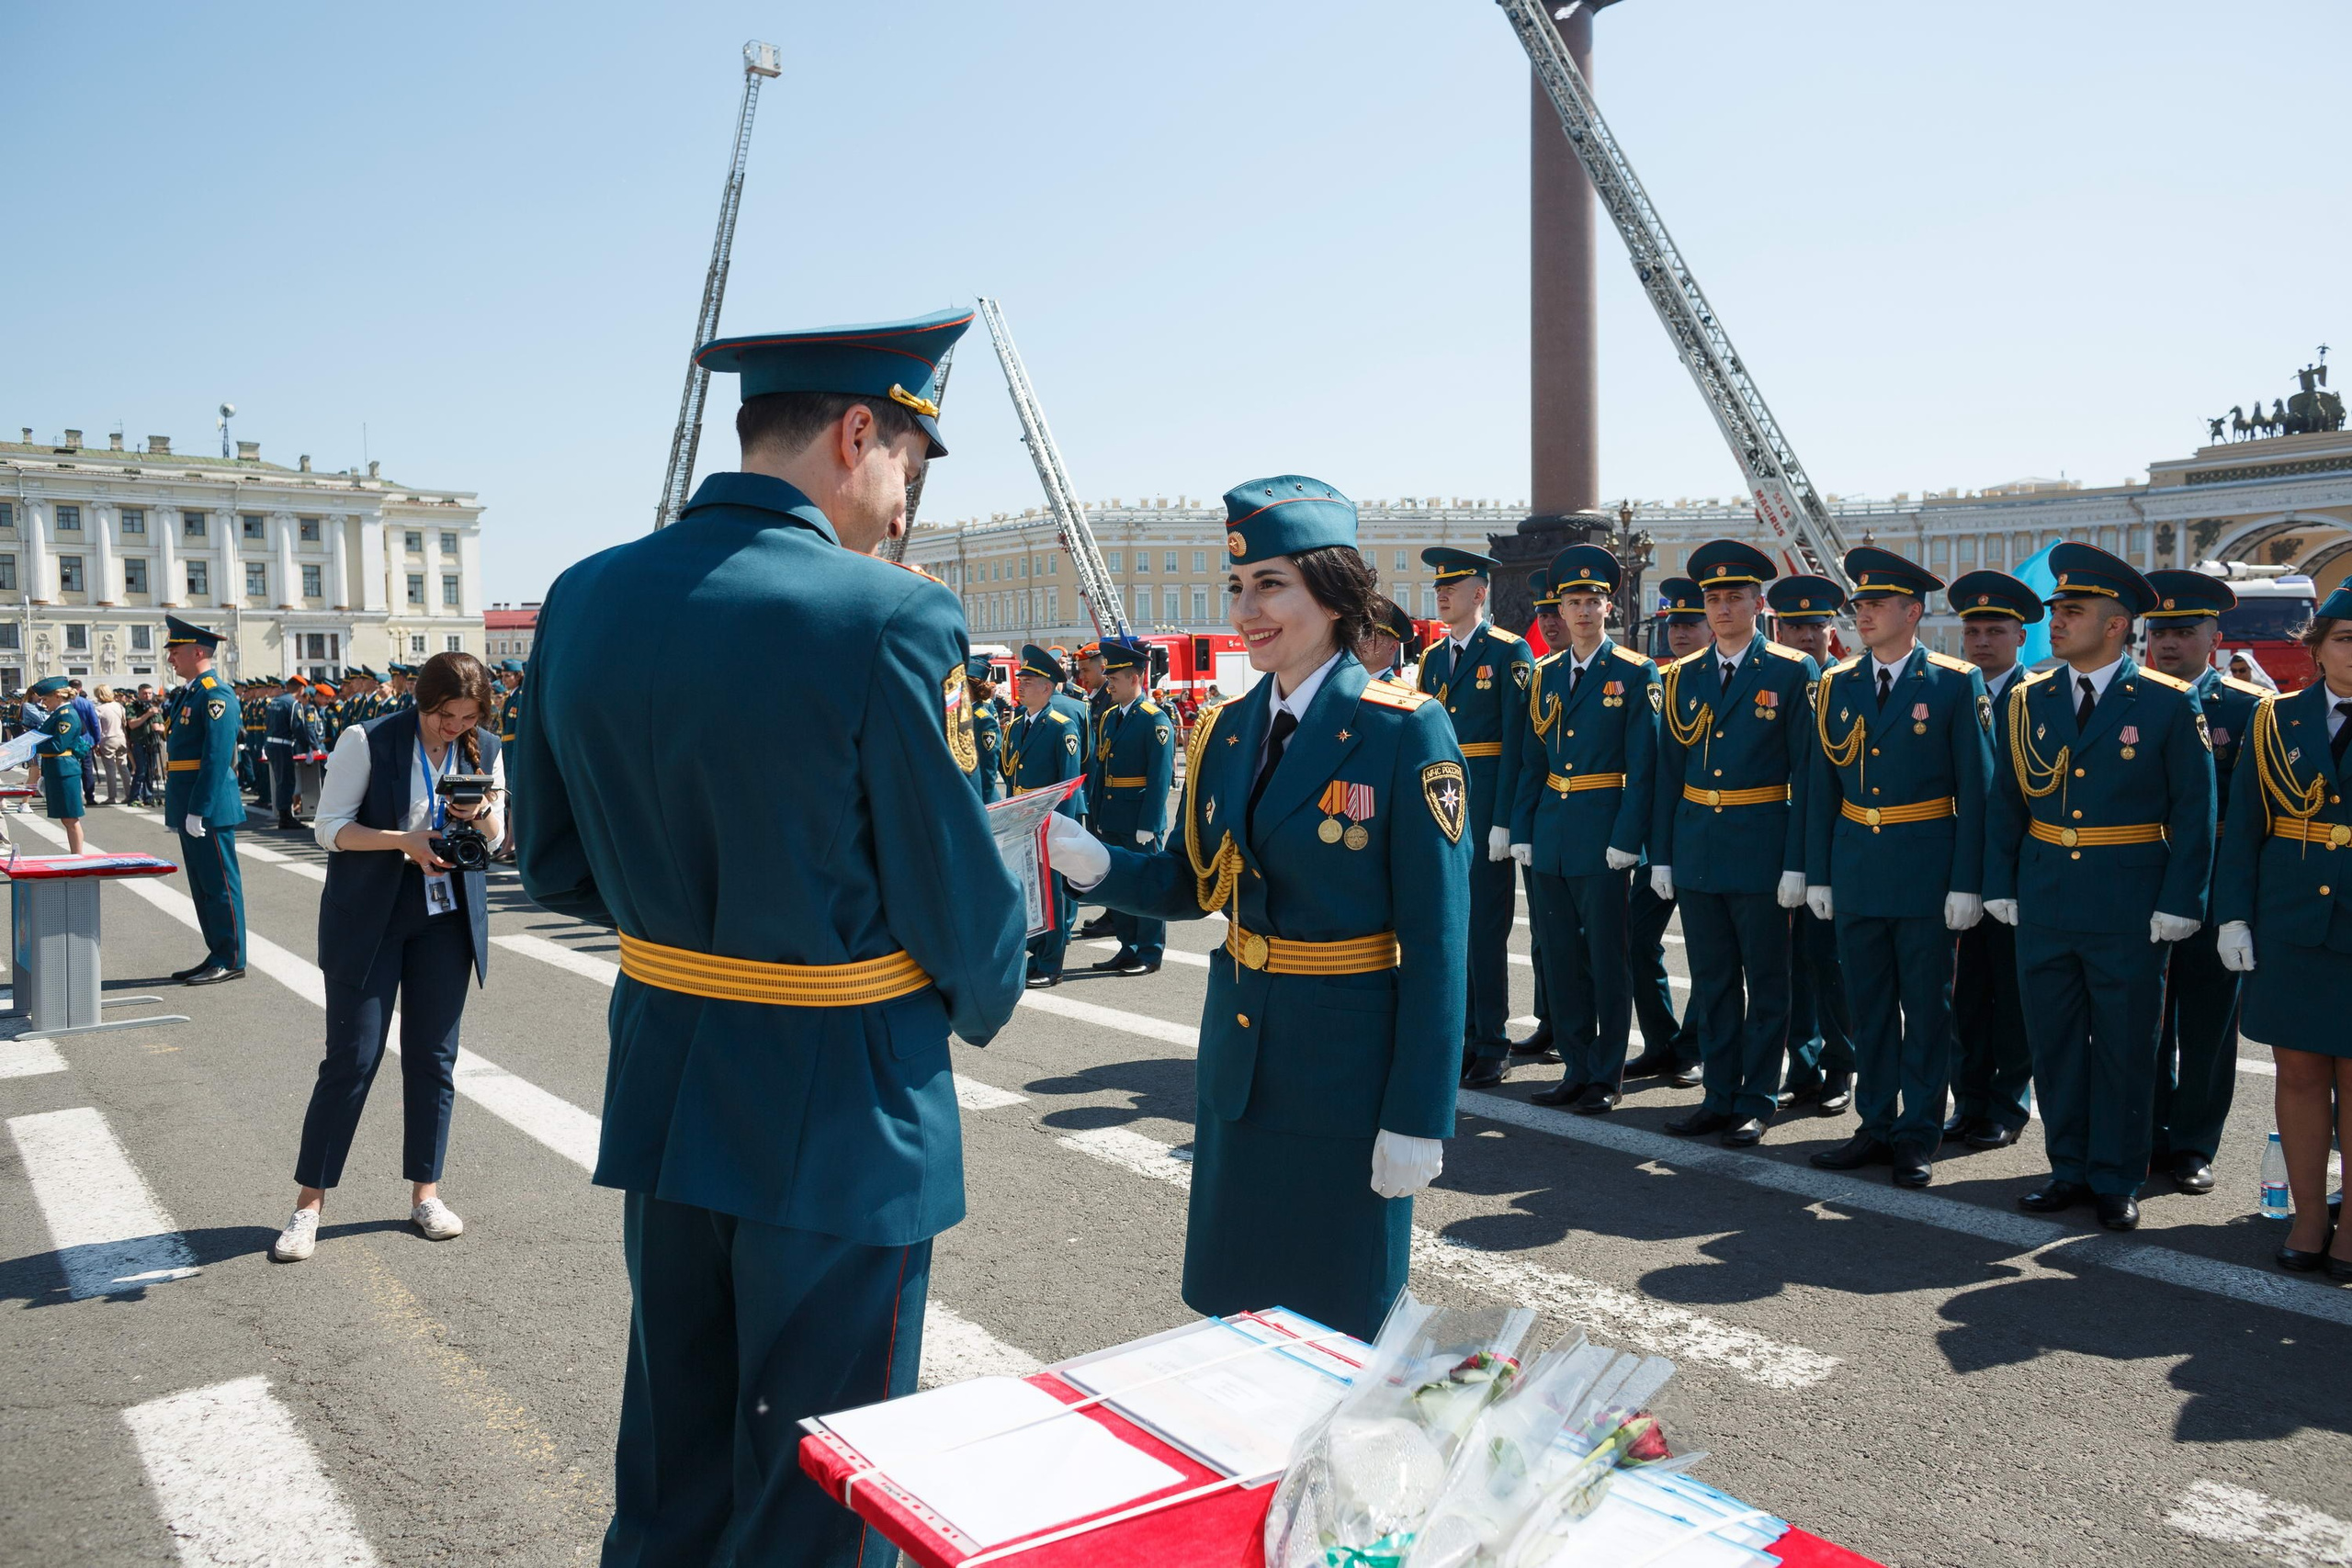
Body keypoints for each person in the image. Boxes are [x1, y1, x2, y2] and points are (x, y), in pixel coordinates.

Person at [515, 309, 1024, 1568]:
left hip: (670, 1081)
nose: (904, 503)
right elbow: (961, 906)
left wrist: (705, 924)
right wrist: (989, 975)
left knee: (673, 1476)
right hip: (840, 1108)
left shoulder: (583, 596)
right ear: (860, 434)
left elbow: (554, 856)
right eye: (910, 461)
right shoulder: (885, 616)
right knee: (818, 1499)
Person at [1046, 474, 1467, 1338]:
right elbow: (1188, 883)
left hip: (1346, 1076)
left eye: (1271, 583)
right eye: (1238, 587)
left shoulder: (1403, 728)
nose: (1247, 609)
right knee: (1235, 1321)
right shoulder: (1227, 728)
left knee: (1339, 1327)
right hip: (1239, 1063)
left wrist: (1418, 1114)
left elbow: (1439, 941)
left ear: (1335, 588)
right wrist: (1091, 862)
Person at [1984, 542, 2215, 1231]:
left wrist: (2182, 902)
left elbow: (2195, 815)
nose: (2054, 621)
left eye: (2072, 611)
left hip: (2129, 901)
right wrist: (2001, 881)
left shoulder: (2169, 703)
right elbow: (2006, 803)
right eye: (2055, 610)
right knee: (2054, 1040)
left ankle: (2117, 1175)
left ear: (2117, 625)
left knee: (2124, 1042)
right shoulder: (2029, 700)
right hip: (2048, 892)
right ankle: (2069, 1166)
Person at [270, 652, 507, 1265]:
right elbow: (330, 827)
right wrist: (402, 840)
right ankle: (308, 1204)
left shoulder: (485, 743)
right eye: (444, 715)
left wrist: (478, 815)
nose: (455, 727)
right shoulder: (366, 737)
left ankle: (426, 1192)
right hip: (370, 912)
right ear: (421, 702)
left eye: (467, 716)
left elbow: (499, 837)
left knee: (434, 1058)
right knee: (353, 1056)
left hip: (446, 917)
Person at [1804, 547, 1992, 1189]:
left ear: (1912, 611)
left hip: (1925, 867)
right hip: (1858, 864)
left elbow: (1979, 789)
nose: (1863, 614)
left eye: (1876, 604)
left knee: (1927, 1009)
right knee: (1869, 1006)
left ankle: (1918, 1132)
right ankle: (1875, 1122)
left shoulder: (1952, 682)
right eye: (1859, 605)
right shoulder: (1838, 683)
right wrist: (1819, 873)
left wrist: (1969, 881)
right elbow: (1822, 788)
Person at [1650, 540, 1817, 1147]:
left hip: (1762, 847)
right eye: (1712, 598)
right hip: (1699, 848)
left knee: (1768, 984)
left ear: (1757, 602)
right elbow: (1670, 771)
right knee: (1713, 980)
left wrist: (1799, 863)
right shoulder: (1683, 677)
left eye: (1733, 597)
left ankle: (1757, 1098)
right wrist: (1663, 854)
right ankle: (1718, 1095)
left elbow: (1808, 773)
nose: (1721, 608)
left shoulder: (1790, 670)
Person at [2213, 586, 2352, 1278]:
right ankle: (2306, 1213)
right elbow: (2244, 827)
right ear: (2318, 645)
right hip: (2291, 919)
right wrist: (2233, 913)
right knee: (2297, 1073)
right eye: (2345, 638)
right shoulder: (2274, 719)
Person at [1509, 546, 1658, 1112]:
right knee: (1561, 960)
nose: (1583, 611)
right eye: (1573, 602)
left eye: (1593, 600)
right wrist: (1522, 827)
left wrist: (1628, 838)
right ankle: (1574, 1065)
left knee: (1606, 957)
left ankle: (1606, 1074)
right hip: (1551, 831)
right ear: (1561, 611)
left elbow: (1643, 766)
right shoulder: (1545, 675)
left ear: (1609, 606)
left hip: (1602, 833)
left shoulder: (1634, 671)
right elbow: (1532, 760)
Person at [2143, 569, 2267, 1196]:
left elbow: (2254, 821)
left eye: (2183, 631)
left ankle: (2193, 1143)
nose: (2168, 643)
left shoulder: (2247, 711)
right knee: (2142, 1021)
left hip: (2216, 888)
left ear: (2213, 637)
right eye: (2159, 630)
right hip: (2141, 882)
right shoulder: (2131, 700)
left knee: (2207, 1025)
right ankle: (2148, 1133)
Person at [1416, 547, 1533, 1088]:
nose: (1442, 594)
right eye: (1439, 587)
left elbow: (1519, 744)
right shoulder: (1433, 659)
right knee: (1450, 929)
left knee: (1486, 931)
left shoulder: (1508, 653)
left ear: (1479, 593)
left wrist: (1506, 820)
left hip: (1486, 811)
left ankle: (1493, 1041)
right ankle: (1461, 1036)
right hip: (1444, 809)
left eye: (1453, 587)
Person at [1942, 570, 2041, 1149]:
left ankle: (2008, 1103)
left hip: (2017, 869)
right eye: (1973, 630)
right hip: (1957, 865)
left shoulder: (2038, 698)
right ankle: (1968, 1098)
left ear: (2020, 637)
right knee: (1966, 993)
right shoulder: (1951, 691)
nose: (1981, 641)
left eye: (1995, 630)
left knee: (2013, 993)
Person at [1765, 574, 1857, 1115]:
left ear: (1830, 631)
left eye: (1813, 627)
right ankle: (1801, 1067)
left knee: (1832, 963)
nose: (1803, 637)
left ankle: (1841, 1067)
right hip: (1781, 841)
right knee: (1791, 964)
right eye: (1793, 626)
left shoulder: (1846, 684)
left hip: (1837, 844)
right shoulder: (1774, 681)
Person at [1622, 578, 1711, 1088]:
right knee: (1636, 940)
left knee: (1706, 951)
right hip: (1657, 837)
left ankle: (1693, 1048)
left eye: (1689, 622)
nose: (1678, 632)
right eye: (1672, 623)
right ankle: (1661, 1041)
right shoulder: (1657, 678)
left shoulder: (1713, 678)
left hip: (1703, 831)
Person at [163, 618, 248, 985]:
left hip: (207, 805)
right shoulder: (191, 692)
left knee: (220, 886)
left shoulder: (216, 694)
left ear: (198, 652)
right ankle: (216, 952)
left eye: (176, 652)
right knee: (202, 886)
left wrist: (199, 807)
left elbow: (216, 757)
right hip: (190, 802)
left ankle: (230, 958)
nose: (171, 659)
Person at [1083, 637, 1175, 976]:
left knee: (1147, 887)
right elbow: (1102, 770)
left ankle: (1149, 952)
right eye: (1108, 679)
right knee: (1118, 887)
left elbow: (1160, 776)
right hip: (1112, 815)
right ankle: (1128, 946)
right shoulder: (1109, 718)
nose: (1109, 686)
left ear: (1135, 679)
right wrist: (1096, 817)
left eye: (1115, 680)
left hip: (1138, 816)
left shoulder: (1155, 720)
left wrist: (1149, 823)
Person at [1005, 644, 1088, 987]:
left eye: (1029, 680)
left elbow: (1068, 786)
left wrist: (1058, 832)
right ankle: (1035, 951)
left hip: (1047, 823)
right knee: (1030, 891)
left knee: (1051, 892)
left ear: (1047, 687)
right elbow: (1012, 778)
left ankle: (1051, 963)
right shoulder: (1015, 726)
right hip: (1023, 821)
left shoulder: (1061, 727)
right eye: (1021, 679)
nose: (1020, 685)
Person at [28, 677, 90, 852]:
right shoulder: (57, 714)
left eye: (46, 699)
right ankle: (75, 855)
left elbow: (58, 745)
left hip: (64, 770)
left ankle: (77, 857)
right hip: (57, 768)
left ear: (57, 696)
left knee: (70, 818)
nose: (44, 703)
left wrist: (30, 746)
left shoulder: (67, 715)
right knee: (67, 818)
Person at [265, 674, 311, 829]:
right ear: (301, 688)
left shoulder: (274, 702)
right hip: (283, 745)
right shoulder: (293, 704)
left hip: (271, 744)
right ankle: (285, 817)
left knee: (280, 780)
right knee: (286, 781)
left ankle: (284, 814)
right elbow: (298, 728)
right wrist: (306, 750)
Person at [964, 657, 1004, 805]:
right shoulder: (963, 715)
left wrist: (980, 806)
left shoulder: (984, 721)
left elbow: (987, 773)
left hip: (981, 800)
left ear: (969, 687)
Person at [91, 684, 129, 806]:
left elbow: (99, 728)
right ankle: (129, 794)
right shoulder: (119, 706)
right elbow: (124, 723)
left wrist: (97, 744)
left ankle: (112, 796)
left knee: (110, 769)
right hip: (121, 737)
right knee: (123, 767)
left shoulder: (99, 709)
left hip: (107, 739)